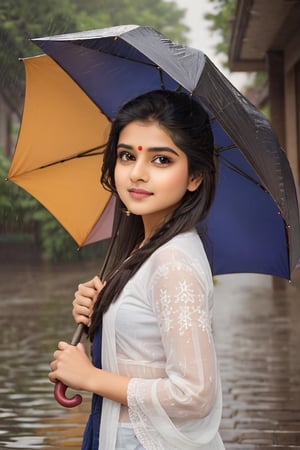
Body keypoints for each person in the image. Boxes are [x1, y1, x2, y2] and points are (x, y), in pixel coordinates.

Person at [49, 90, 225, 449]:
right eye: (127, 156)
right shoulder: (146, 250)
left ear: (194, 177)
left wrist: (90, 377)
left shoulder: (172, 262)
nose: (137, 174)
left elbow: (195, 394)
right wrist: (103, 309)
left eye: (161, 160)